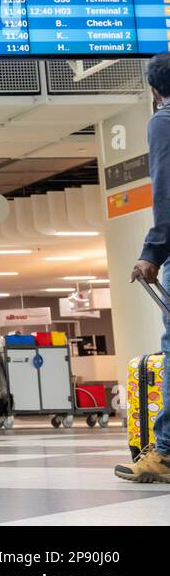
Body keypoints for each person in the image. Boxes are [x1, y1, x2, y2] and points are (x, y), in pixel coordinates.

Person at [123, 52, 170, 483]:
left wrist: (153, 251)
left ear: (155, 91)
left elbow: (167, 188)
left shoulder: (163, 119)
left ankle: (167, 453)